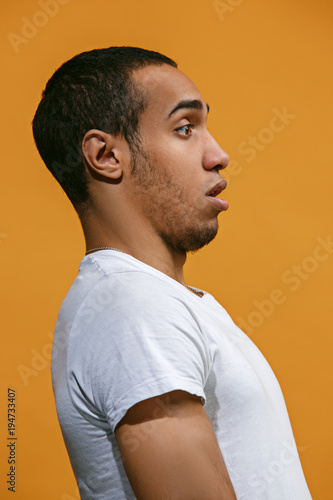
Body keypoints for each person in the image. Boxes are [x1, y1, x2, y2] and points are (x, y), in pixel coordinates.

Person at [32, 46, 312, 500]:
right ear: (105, 155)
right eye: (185, 128)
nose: (218, 155)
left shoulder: (150, 300)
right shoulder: (134, 308)